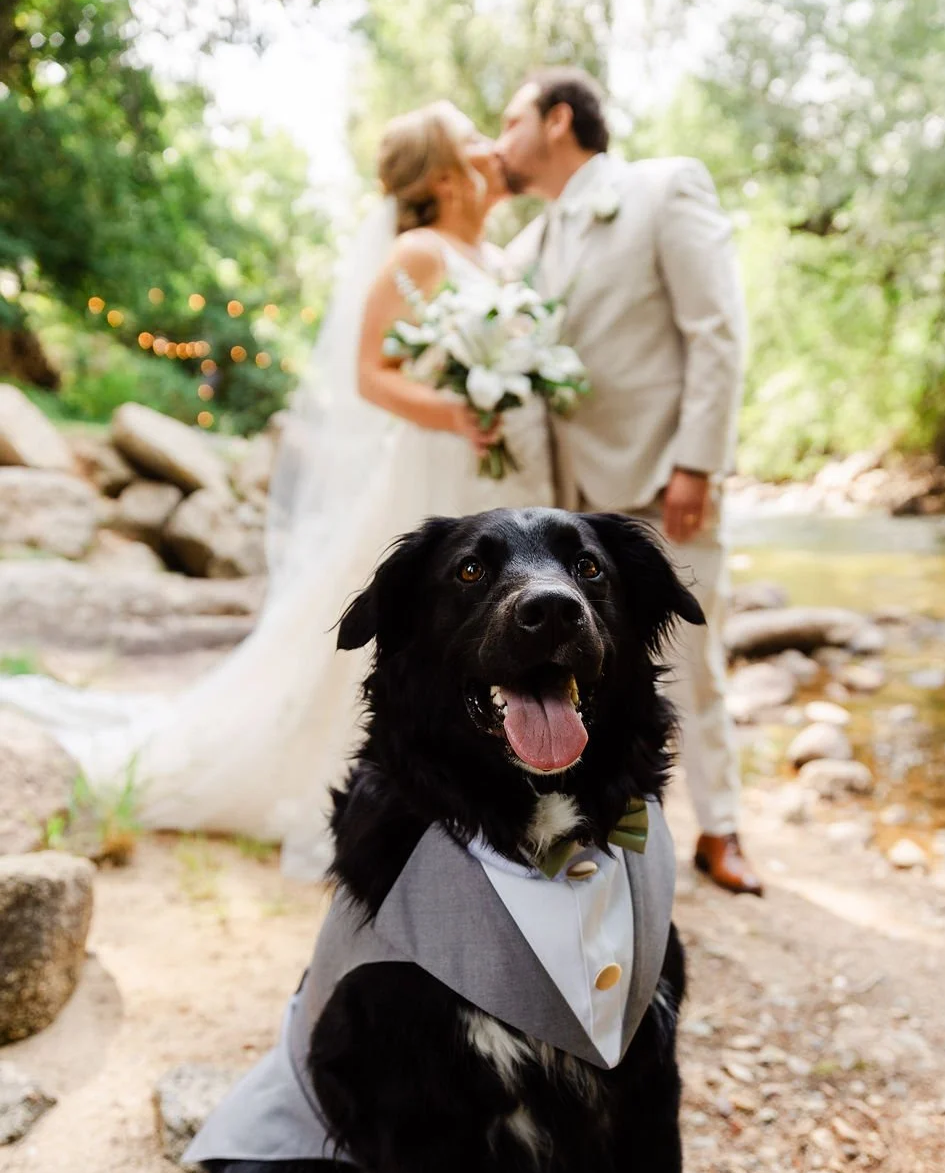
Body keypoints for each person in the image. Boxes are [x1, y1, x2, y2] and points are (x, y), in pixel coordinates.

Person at [0, 101, 554, 880]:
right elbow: (369, 375)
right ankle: (387, 780)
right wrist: (457, 411)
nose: (493, 150)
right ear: (441, 175)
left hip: (494, 472)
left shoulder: (494, 256)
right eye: (473, 142)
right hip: (435, 469)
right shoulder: (423, 251)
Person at [496, 67, 763, 896]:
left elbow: (716, 330)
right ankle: (608, 830)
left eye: (510, 122)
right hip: (562, 510)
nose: (498, 141)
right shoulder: (524, 249)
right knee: (578, 675)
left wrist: (697, 462)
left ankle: (720, 829)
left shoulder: (662, 189)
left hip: (660, 481)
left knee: (690, 655)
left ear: (558, 121)